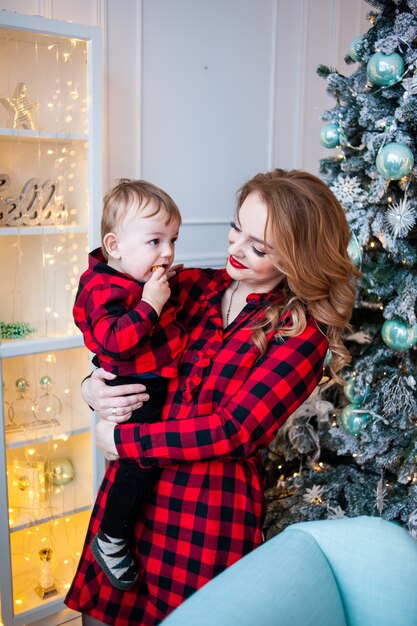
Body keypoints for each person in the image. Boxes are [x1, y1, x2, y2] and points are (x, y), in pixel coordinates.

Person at [65, 168, 361, 626]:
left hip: (203, 512)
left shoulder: (301, 335)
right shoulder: (193, 288)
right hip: (131, 499)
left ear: (298, 257)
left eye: (258, 247)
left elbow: (235, 430)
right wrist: (93, 386)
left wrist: (126, 443)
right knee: (103, 616)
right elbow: (116, 338)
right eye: (236, 228)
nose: (235, 248)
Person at [72, 179, 186, 591]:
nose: (168, 252)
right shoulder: (104, 287)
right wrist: (151, 304)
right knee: (139, 465)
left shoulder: (144, 279)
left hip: (152, 381)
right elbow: (113, 341)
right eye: (155, 241)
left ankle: (116, 532)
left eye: (172, 239)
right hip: (134, 385)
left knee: (143, 465)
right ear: (115, 246)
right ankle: (112, 535)